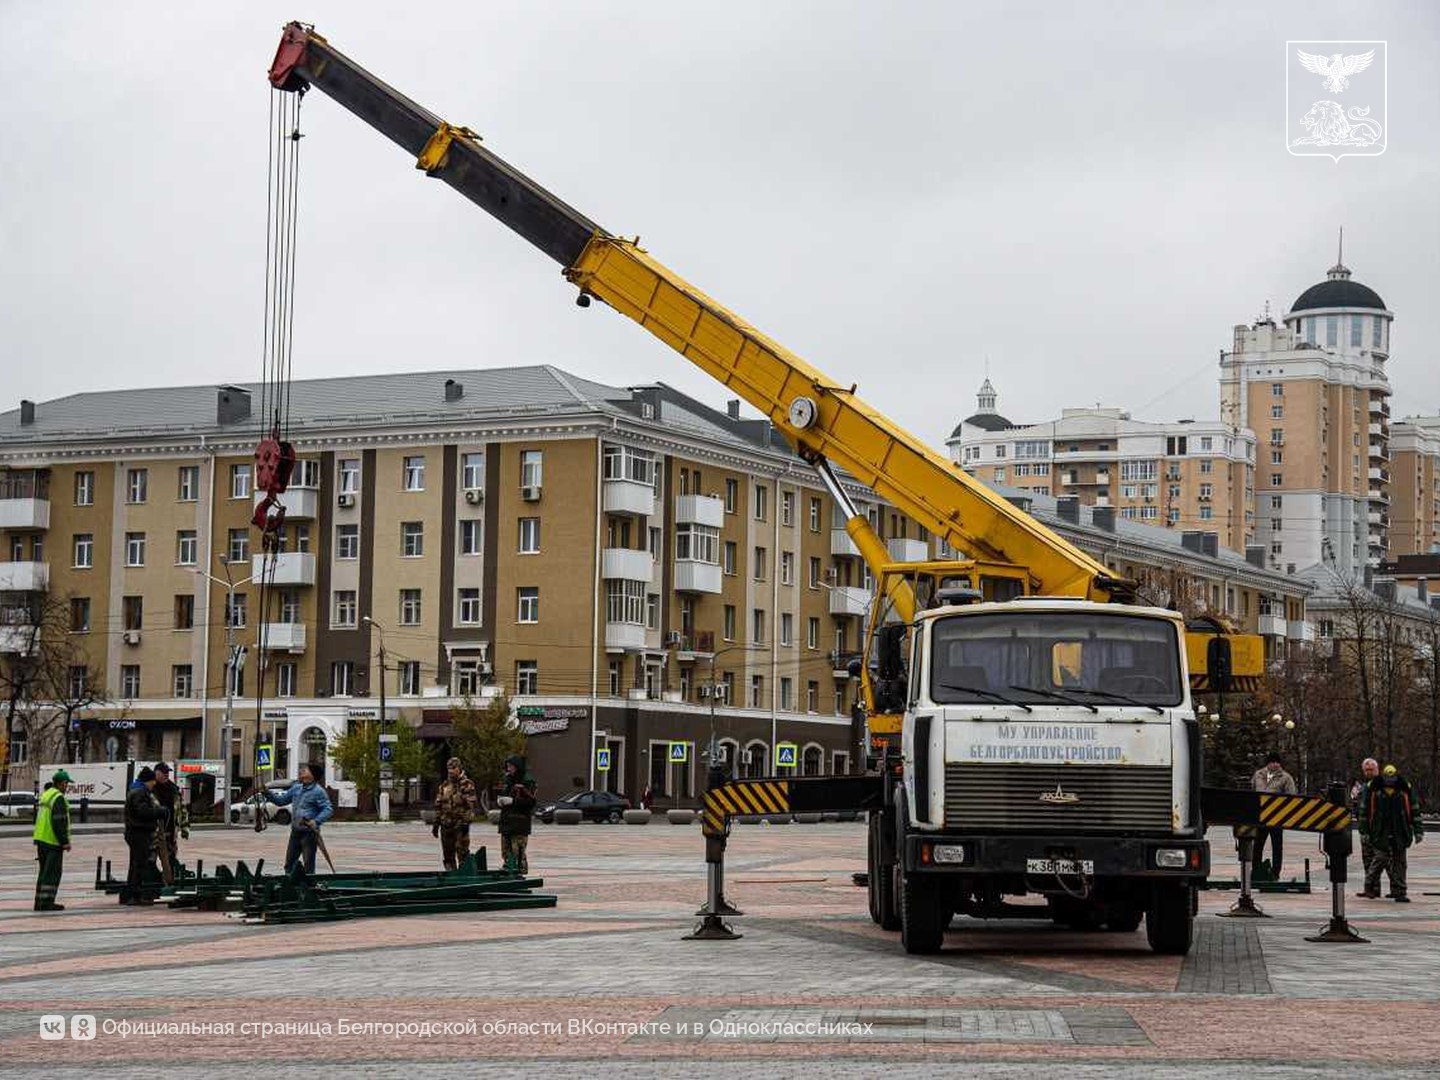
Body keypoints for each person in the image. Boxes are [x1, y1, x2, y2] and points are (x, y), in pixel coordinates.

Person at [1360, 764, 1424, 902]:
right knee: (1381, 858)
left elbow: (1414, 809)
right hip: (1380, 830)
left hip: (1399, 830)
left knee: (1399, 861)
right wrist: (1364, 831)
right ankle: (1370, 884)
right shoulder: (1373, 788)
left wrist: (1418, 830)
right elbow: (1364, 811)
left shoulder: (1404, 788)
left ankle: (1399, 891)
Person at [264, 762, 333, 874]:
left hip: (309, 833)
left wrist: (316, 821)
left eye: (305, 770)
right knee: (289, 864)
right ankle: (289, 887)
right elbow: (281, 801)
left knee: (308, 866)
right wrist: (266, 793)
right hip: (295, 832)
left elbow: (328, 809)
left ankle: (309, 887)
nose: (301, 771)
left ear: (313, 775)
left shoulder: (318, 791)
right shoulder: (296, 788)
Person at [1250, 753, 1297, 880]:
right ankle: (1255, 870)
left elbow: (1291, 796)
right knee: (1258, 845)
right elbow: (1253, 791)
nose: (1275, 764)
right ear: (1268, 763)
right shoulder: (1258, 775)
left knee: (1277, 846)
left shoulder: (1286, 778)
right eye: (1273, 762)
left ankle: (1276, 873)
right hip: (1260, 817)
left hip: (1277, 817)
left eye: (1277, 762)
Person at [33, 769, 73, 911]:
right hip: (52, 841)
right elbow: (59, 822)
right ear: (62, 784)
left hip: (41, 839)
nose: (67, 787)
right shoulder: (58, 798)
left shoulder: (46, 795)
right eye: (66, 784)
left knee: (43, 873)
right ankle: (47, 903)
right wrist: (65, 842)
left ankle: (39, 902)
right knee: (52, 873)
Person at [121, 766, 161, 905]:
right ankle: (135, 896)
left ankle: (132, 894)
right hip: (139, 833)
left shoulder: (136, 790)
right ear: (147, 781)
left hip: (136, 832)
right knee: (139, 865)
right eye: (152, 781)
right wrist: (158, 812)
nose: (154, 784)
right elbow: (142, 812)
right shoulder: (140, 792)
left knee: (136, 864)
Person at [433, 757, 478, 870]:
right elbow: (439, 805)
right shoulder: (444, 786)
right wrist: (436, 823)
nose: (451, 771)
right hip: (446, 825)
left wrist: (466, 822)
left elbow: (471, 805)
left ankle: (465, 878)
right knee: (448, 856)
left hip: (460, 825)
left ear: (459, 768)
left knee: (462, 854)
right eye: (449, 768)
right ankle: (451, 877)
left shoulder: (466, 784)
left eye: (453, 768)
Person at [497, 754, 536, 874]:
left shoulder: (527, 781)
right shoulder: (507, 779)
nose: (508, 769)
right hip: (507, 822)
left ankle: (518, 873)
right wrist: (501, 800)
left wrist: (513, 801)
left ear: (517, 767)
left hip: (520, 823)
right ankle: (508, 869)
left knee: (517, 852)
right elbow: (504, 793)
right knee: (506, 851)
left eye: (511, 766)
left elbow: (531, 802)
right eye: (507, 766)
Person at [1353, 757, 1380, 895]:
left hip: (1378, 830)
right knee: (1367, 859)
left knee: (1380, 860)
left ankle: (1377, 887)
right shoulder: (1363, 787)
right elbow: (1358, 808)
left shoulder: (1380, 786)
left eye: (1371, 770)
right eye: (1366, 770)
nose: (1369, 772)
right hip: (1365, 829)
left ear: (1377, 770)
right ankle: (1372, 889)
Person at [152, 762, 181, 870]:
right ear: (156, 773)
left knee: (170, 858)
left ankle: (169, 879)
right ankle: (150, 878)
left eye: (167, 773)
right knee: (150, 857)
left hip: (170, 830)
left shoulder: (173, 788)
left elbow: (179, 808)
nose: (166, 775)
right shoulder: (150, 788)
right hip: (155, 830)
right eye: (164, 773)